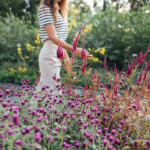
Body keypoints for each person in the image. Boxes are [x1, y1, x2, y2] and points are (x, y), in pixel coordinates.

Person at [35, 0, 92, 97]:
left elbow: (60, 40)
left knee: (42, 93)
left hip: (56, 53)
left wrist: (66, 59)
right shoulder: (45, 8)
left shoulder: (59, 10)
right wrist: (75, 49)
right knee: (53, 93)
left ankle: (30, 111)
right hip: (49, 55)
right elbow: (53, 38)